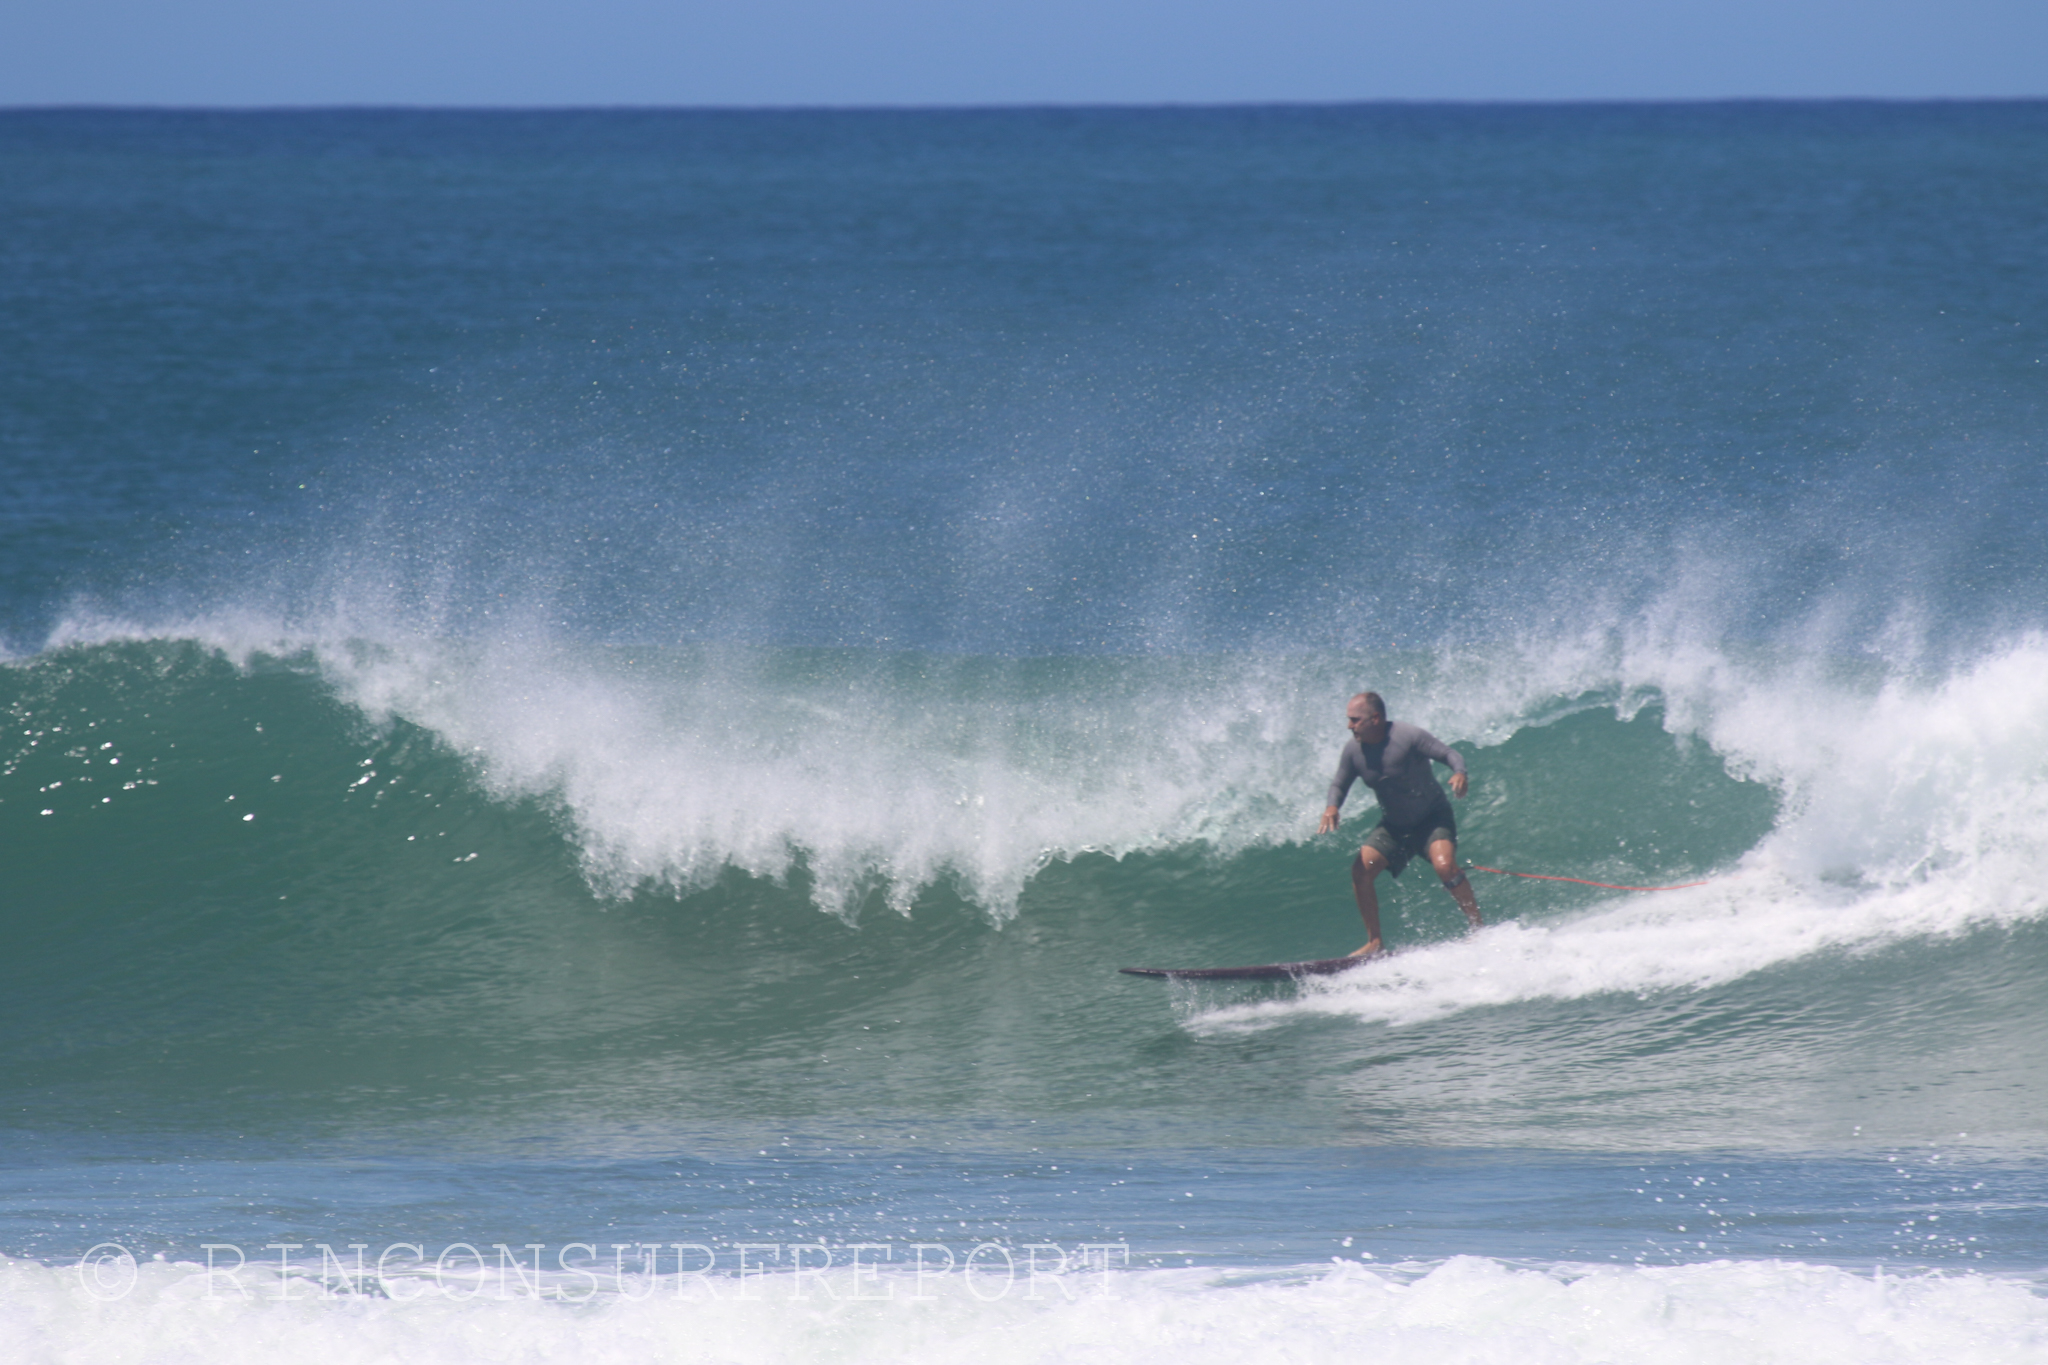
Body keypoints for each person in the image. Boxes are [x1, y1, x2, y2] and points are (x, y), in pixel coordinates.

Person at [1315, 691, 1482, 957]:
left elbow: (1449, 754)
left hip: (1432, 818)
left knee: (1445, 866)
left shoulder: (1408, 736)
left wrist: (1460, 773)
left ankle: (1477, 928)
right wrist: (1332, 806)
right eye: (1349, 720)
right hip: (1395, 827)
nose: (1349, 726)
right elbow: (1339, 783)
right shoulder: (1353, 751)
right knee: (1361, 870)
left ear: (1376, 718)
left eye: (1355, 720)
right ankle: (1375, 943)